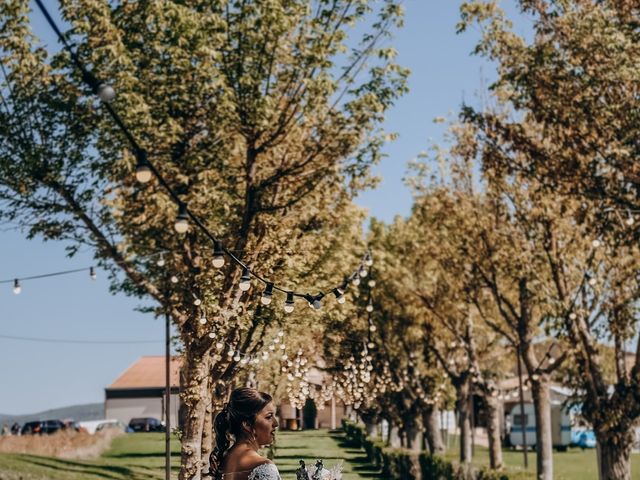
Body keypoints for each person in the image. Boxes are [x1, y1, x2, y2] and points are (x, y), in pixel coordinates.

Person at [208, 387, 280, 480]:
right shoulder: (263, 466)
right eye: (269, 417)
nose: (276, 424)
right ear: (247, 424)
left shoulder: (223, 461)